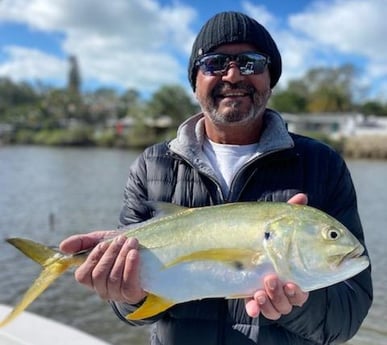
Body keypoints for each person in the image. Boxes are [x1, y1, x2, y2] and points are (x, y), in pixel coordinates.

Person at [60, 11, 372, 345]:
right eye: (215, 63)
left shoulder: (321, 164)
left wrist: (298, 303)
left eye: (251, 63)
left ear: (271, 79)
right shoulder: (152, 165)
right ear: (195, 82)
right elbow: (131, 310)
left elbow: (348, 315)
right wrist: (126, 294)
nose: (234, 74)